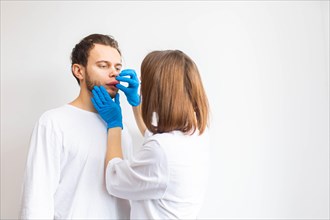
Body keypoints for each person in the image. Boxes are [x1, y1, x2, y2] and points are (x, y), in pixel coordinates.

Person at [20, 34, 133, 219]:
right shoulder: (53, 122)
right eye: (103, 66)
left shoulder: (120, 129)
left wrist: (137, 106)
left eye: (118, 67)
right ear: (79, 71)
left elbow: (128, 190)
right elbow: (36, 199)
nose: (114, 73)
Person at [92, 50, 210, 219]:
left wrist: (114, 124)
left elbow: (114, 178)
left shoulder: (161, 150)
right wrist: (135, 102)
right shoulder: (196, 134)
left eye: (144, 81)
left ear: (159, 91)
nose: (141, 85)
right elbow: (153, 135)